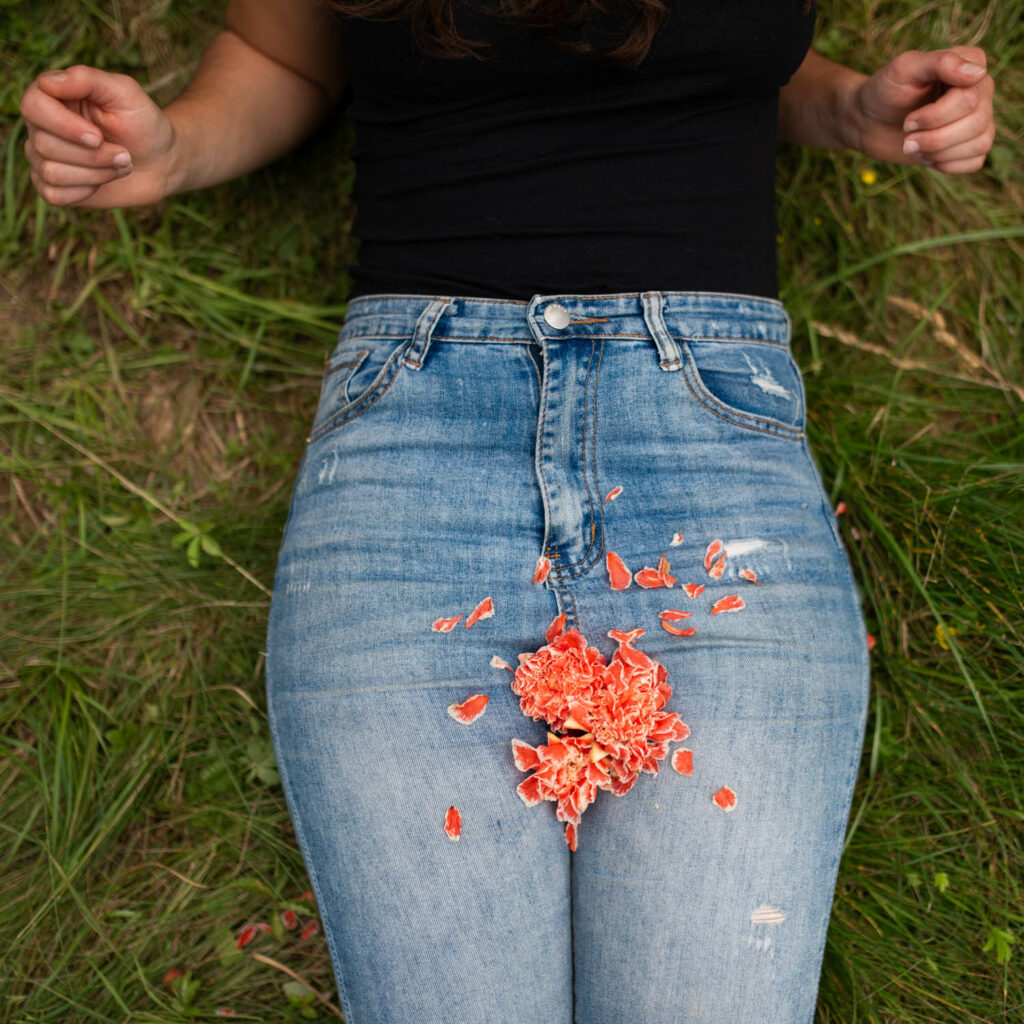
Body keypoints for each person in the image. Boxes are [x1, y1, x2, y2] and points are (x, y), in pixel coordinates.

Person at [20, 1, 995, 1021]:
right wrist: (174, 146)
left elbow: (719, 47)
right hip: (415, 442)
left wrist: (847, 109)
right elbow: (284, 54)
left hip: (709, 457)